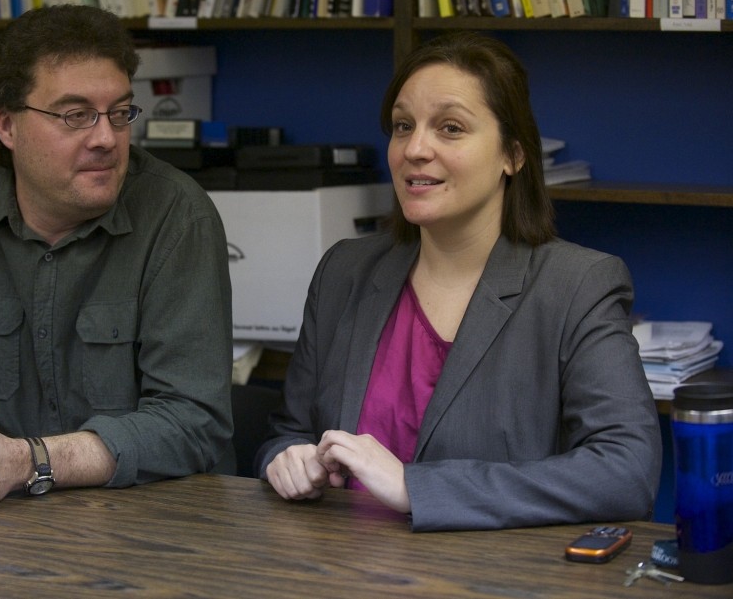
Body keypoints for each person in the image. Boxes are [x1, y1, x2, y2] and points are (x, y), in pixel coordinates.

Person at [256, 31, 662, 532]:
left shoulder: (577, 285)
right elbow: (288, 432)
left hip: (488, 570)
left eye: (450, 128)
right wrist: (287, 460)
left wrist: (415, 488)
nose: (415, 148)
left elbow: (627, 471)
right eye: (403, 126)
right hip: (333, 560)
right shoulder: (344, 270)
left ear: (513, 155)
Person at [0, 4, 233, 510]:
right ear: (7, 126)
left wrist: (26, 461)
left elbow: (193, 421)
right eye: (76, 116)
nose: (106, 138)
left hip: (146, 520)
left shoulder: (178, 216)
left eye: (120, 113)